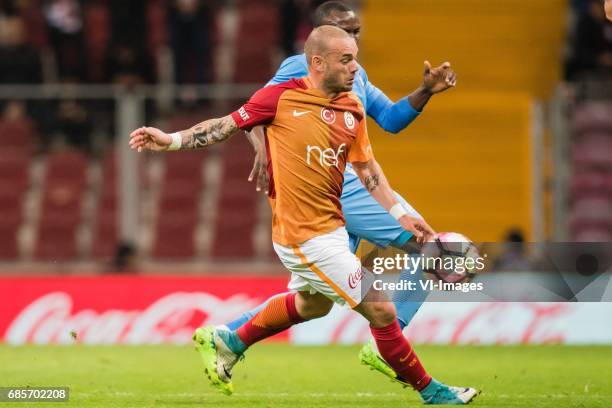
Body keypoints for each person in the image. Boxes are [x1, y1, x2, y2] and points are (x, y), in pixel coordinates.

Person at [129, 25, 478, 405]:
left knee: (313, 304)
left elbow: (367, 168)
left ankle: (229, 339)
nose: (355, 69)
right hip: (302, 237)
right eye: (345, 60)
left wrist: (397, 211)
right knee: (381, 308)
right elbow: (224, 127)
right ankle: (433, 393)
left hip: (330, 230)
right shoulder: (279, 98)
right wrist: (172, 140)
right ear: (317, 62)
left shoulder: (351, 108)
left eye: (356, 59)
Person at [221, 0, 457, 389]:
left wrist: (425, 91)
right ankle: (392, 341)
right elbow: (257, 110)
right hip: (340, 183)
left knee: (314, 302)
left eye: (357, 32)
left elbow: (393, 120)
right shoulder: (303, 66)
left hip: (342, 184)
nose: (352, 39)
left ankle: (229, 335)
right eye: (344, 31)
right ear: (320, 42)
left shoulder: (355, 73)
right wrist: (261, 146)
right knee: (435, 249)